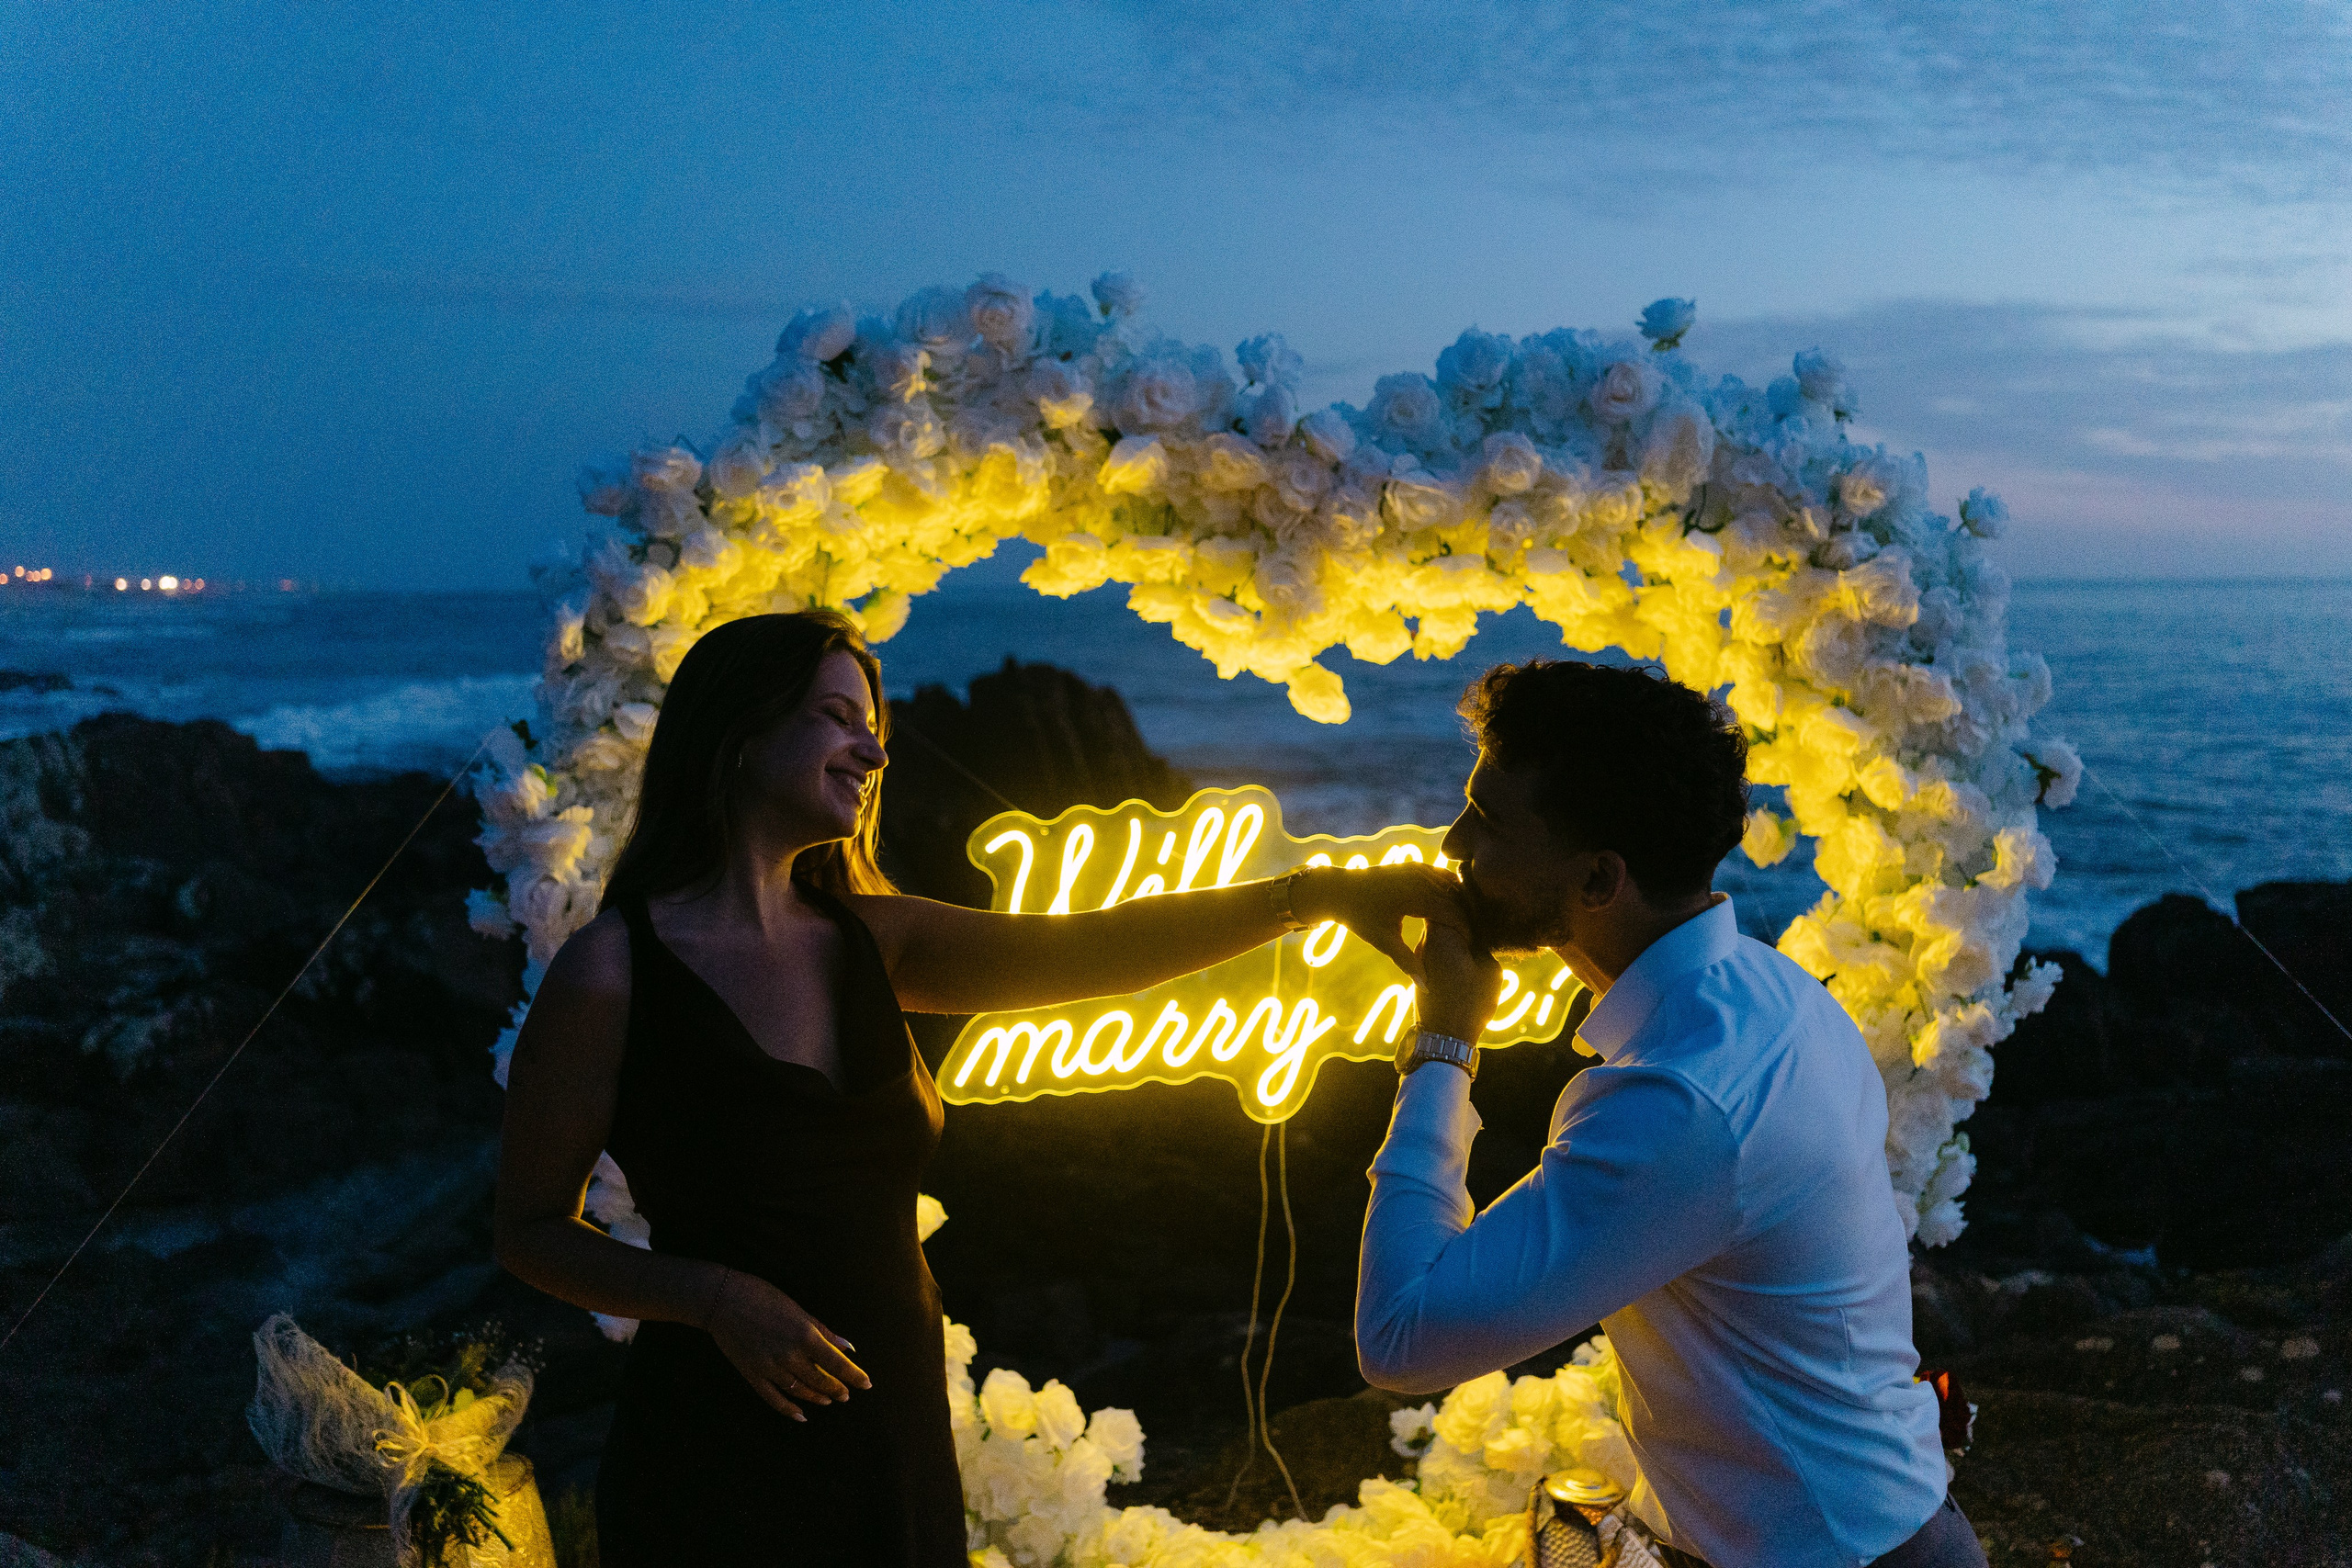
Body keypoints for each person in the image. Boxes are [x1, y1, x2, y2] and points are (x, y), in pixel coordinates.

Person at [493, 610, 1450, 1566]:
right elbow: (531, 1228)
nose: (870, 751)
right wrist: (714, 1299)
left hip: (890, 1429)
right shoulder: (613, 972)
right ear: (740, 733)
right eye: (836, 717)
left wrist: (1313, 894)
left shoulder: (872, 940)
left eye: (873, 728)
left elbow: (1102, 951)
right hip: (714, 1448)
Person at [1355, 660, 1985, 1568]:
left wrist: (1445, 1041)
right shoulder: (1771, 989)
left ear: (1600, 880)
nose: (1451, 844)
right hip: (1881, 1526)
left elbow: (1399, 1339)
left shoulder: (1679, 1097)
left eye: (1488, 823)